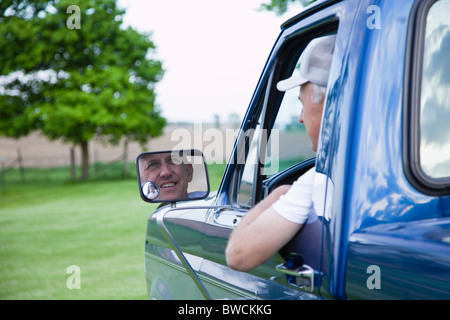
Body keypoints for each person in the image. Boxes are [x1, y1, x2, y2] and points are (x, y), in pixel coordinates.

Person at [226, 35, 336, 272]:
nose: (300, 117)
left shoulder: (319, 181)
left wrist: (280, 195)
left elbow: (238, 255)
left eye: (302, 102)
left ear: (328, 104)